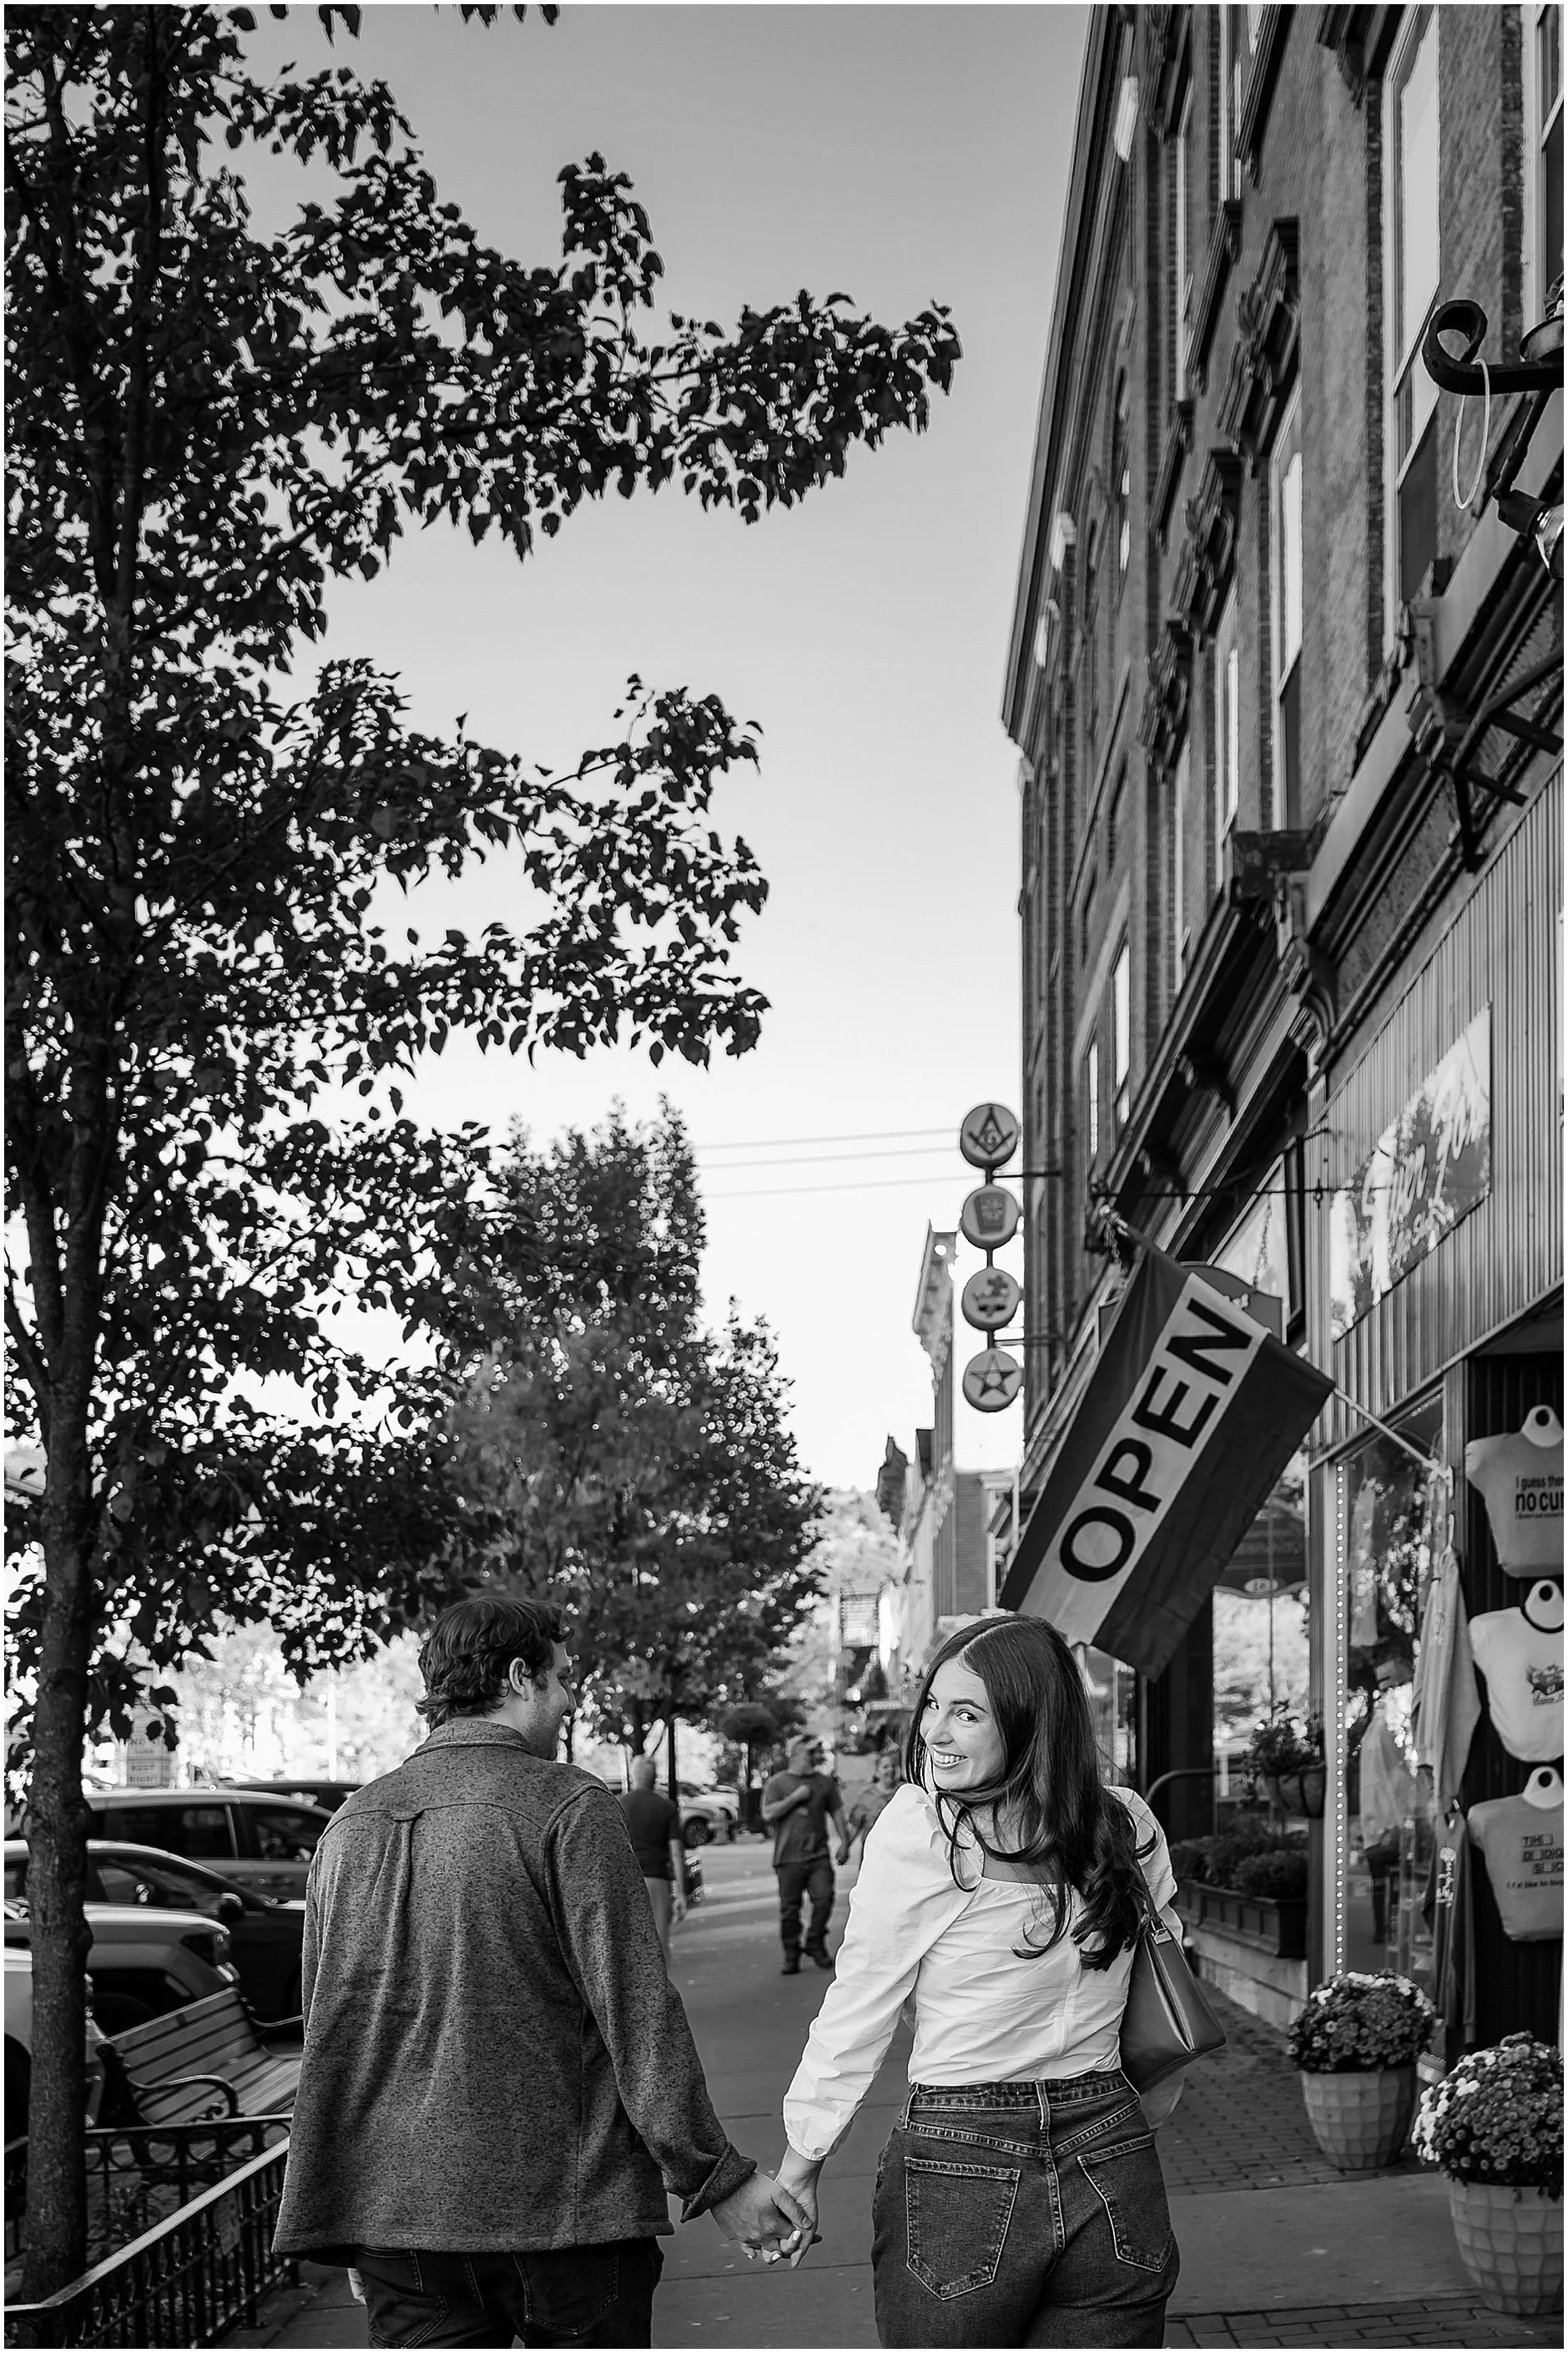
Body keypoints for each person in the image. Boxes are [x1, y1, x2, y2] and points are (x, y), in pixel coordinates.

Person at [273, 1595, 807, 2348]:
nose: (567, 1700)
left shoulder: (349, 1824)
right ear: (520, 1677)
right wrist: (716, 2177)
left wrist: (351, 2210)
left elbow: (329, 2027)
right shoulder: (567, 1805)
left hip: (402, 2223)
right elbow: (638, 2013)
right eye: (561, 1678)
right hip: (565, 2216)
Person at [774, 1617, 1182, 2348]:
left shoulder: (926, 1832)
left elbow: (858, 2009)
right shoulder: (1124, 1821)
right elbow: (1168, 1969)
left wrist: (801, 2161)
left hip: (963, 2158)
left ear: (1033, 1723)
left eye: (966, 1713)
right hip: (1113, 2148)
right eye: (933, 1704)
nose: (934, 1730)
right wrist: (1136, 2114)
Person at [761, 1734, 850, 1975]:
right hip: (787, 1857)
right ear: (795, 1753)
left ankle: (815, 1941)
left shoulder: (824, 1783)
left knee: (824, 1899)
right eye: (810, 1752)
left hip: (818, 1855)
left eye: (815, 1752)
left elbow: (838, 1813)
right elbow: (768, 1814)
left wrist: (845, 1842)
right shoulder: (777, 1784)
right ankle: (791, 1954)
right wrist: (794, 1798)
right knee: (790, 1910)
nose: (815, 1757)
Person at [618, 1755, 688, 1959]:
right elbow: (676, 1852)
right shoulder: (666, 1807)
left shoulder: (618, 1804)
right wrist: (682, 1892)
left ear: (633, 1775)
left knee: (629, 1946)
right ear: (655, 1777)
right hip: (657, 1880)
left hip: (627, 1881)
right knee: (658, 1945)